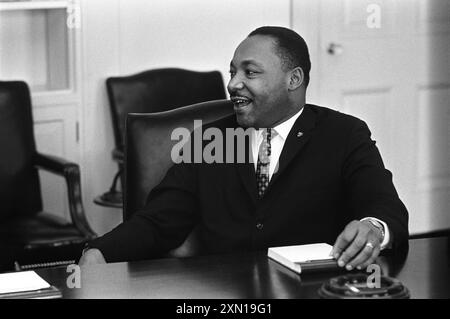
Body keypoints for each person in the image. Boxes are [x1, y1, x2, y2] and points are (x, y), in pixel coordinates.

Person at [80, 26, 408, 271]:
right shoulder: (211, 139)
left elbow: (383, 206)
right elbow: (159, 221)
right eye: (233, 71)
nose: (234, 83)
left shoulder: (344, 134)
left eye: (249, 72)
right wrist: (100, 251)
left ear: (293, 79)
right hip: (224, 294)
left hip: (309, 289)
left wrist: (374, 228)